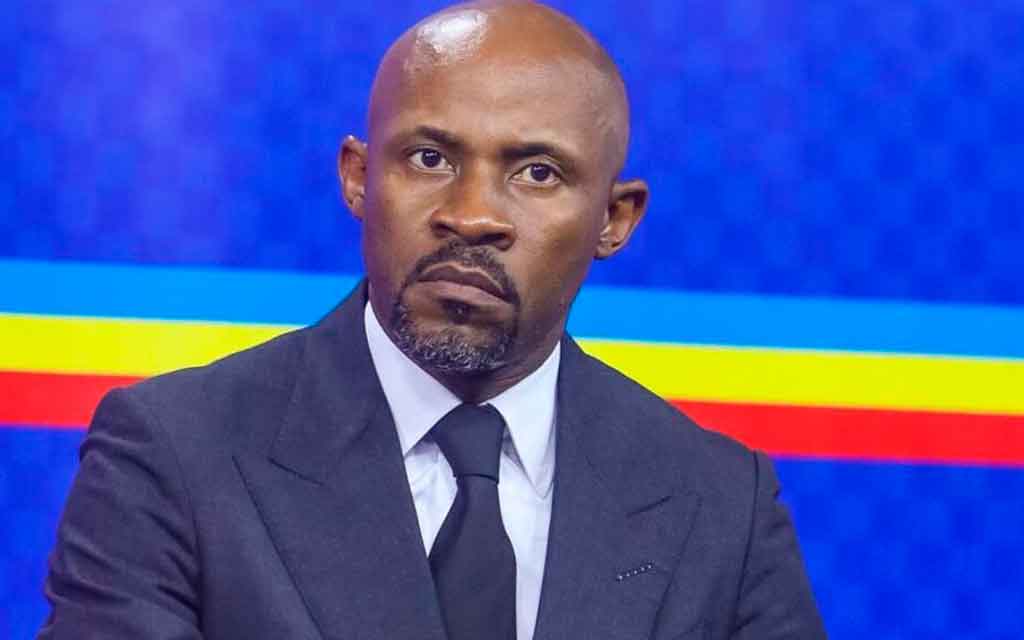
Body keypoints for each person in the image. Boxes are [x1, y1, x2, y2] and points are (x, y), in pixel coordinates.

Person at [39, 2, 826, 639]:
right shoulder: (175, 454)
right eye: (430, 159)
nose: (472, 215)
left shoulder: (721, 503)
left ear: (614, 220)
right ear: (358, 177)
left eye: (537, 172)